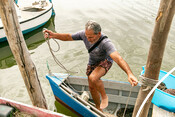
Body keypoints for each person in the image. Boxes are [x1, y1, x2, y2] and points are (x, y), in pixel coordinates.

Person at [43, 20, 138, 111]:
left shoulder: (106, 43)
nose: (88, 39)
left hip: (105, 61)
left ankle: (104, 96)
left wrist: (129, 74)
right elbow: (68, 36)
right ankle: (98, 107)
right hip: (93, 61)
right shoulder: (84, 34)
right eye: (87, 36)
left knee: (93, 77)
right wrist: (53, 35)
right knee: (92, 87)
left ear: (99, 34)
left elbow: (118, 58)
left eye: (91, 37)